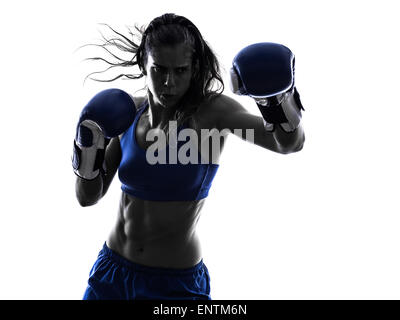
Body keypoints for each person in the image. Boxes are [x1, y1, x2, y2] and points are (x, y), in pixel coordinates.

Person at [72, 13, 305, 300]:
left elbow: (288, 144)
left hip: (175, 287)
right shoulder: (126, 114)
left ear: (194, 68)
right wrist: (86, 151)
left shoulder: (213, 114)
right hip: (112, 274)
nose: (169, 82)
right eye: (159, 69)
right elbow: (87, 197)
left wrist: (277, 101)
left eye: (180, 71)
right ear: (142, 64)